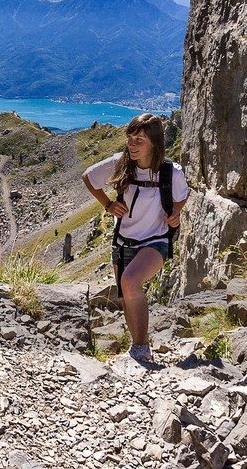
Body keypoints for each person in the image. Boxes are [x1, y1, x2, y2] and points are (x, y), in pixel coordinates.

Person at [82, 112, 188, 363]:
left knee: (130, 282)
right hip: (123, 242)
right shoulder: (120, 163)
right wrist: (107, 204)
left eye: (139, 140)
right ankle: (136, 348)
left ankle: (142, 348)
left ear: (154, 143)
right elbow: (89, 177)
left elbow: (182, 195)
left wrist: (176, 213)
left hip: (155, 240)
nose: (132, 144)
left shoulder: (171, 172)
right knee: (125, 296)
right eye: (130, 138)